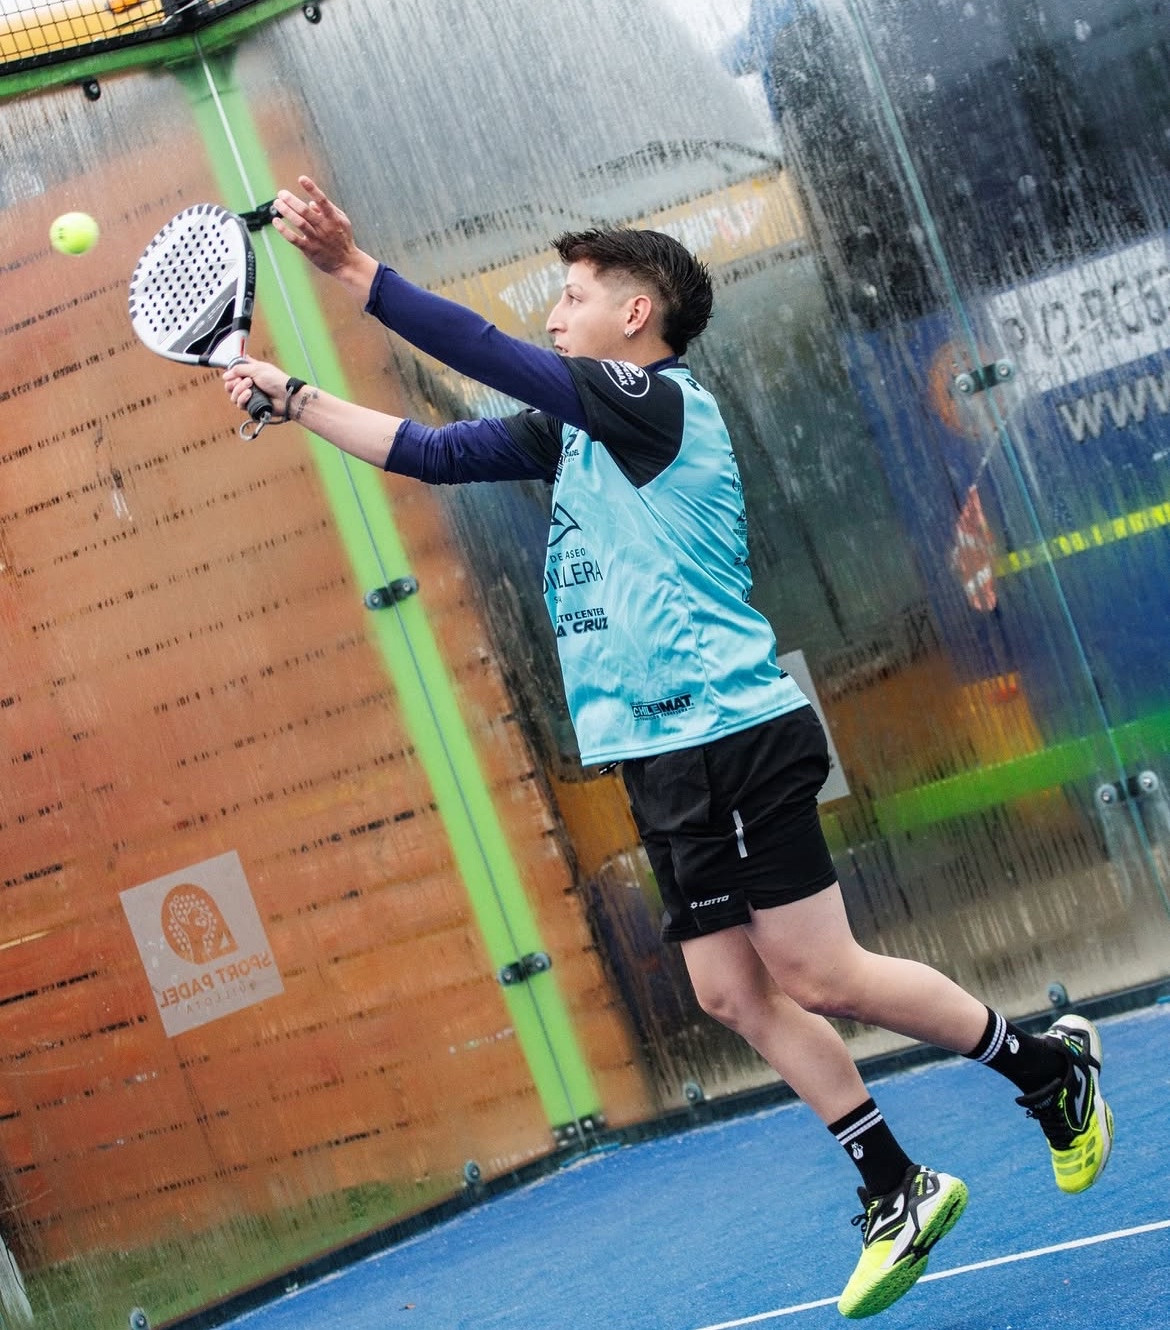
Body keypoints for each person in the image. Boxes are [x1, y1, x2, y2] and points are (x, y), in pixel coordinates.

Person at [225, 177, 1114, 1320]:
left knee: (820, 973)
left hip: (731, 730)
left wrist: (354, 270)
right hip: (658, 752)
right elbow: (432, 453)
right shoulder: (578, 435)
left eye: (574, 295)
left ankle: (1047, 1067)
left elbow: (493, 354)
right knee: (731, 991)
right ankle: (897, 1182)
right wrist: (295, 397)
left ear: (636, 315)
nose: (555, 314)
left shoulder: (657, 404)